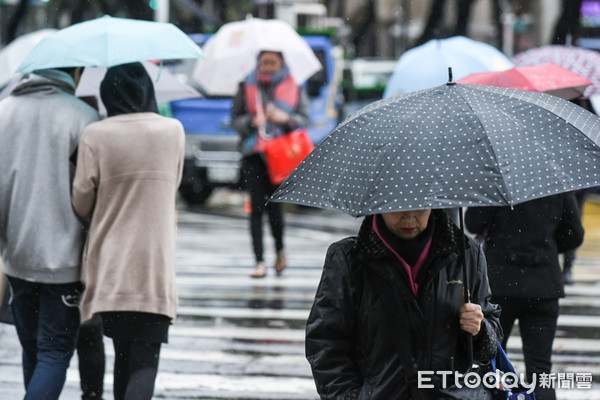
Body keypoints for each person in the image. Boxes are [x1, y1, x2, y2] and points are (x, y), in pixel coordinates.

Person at [71, 62, 184, 400]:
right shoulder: (172, 131)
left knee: (122, 351)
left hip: (112, 264)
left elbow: (81, 201)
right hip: (155, 263)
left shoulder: (96, 134)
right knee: (145, 357)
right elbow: (172, 185)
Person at [306, 209, 502, 399]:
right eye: (396, 208)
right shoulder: (349, 260)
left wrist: (480, 330)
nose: (408, 217)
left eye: (419, 206)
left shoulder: (466, 253)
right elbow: (326, 342)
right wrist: (349, 396)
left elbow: (490, 343)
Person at [0, 67, 99, 399]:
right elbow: (92, 190)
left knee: (32, 348)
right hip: (65, 258)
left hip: (17, 255)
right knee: (55, 351)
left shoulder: (4, 112)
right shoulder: (84, 117)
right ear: (72, 70)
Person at [465, 192, 584, 400]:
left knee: (493, 364)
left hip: (500, 284)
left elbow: (474, 223)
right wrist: (547, 247)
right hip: (543, 284)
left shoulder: (498, 182)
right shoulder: (554, 183)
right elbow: (574, 233)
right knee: (540, 369)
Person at [231, 50, 310, 278]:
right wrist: (251, 121)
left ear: (282, 62)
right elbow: (235, 118)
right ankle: (258, 260)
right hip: (254, 154)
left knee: (276, 208)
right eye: (264, 62)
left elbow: (304, 117)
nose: (268, 67)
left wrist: (285, 119)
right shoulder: (246, 85)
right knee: (256, 208)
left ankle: (279, 250)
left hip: (282, 155)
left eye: (272, 62)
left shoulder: (294, 85)